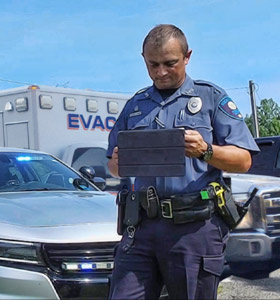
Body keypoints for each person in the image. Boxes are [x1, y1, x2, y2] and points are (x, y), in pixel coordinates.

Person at [106, 24, 259, 299]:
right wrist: (118, 163)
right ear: (143, 59)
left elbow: (244, 160)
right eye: (153, 64)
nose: (160, 72)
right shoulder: (136, 105)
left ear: (187, 57)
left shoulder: (210, 98)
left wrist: (205, 150)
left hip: (193, 230)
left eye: (170, 63)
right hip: (140, 228)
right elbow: (113, 166)